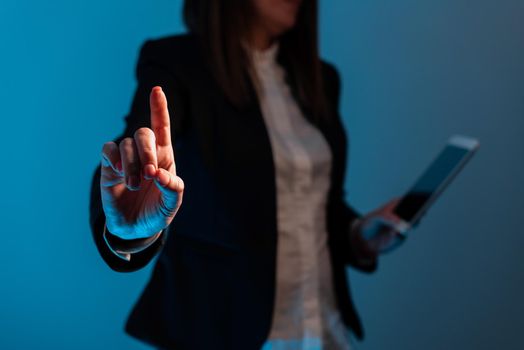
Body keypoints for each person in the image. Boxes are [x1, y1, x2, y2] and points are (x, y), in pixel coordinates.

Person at [89, 0, 403, 349]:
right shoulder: (177, 63)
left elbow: (308, 202)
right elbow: (137, 150)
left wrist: (358, 236)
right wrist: (125, 225)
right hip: (225, 333)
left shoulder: (322, 79)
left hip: (323, 328)